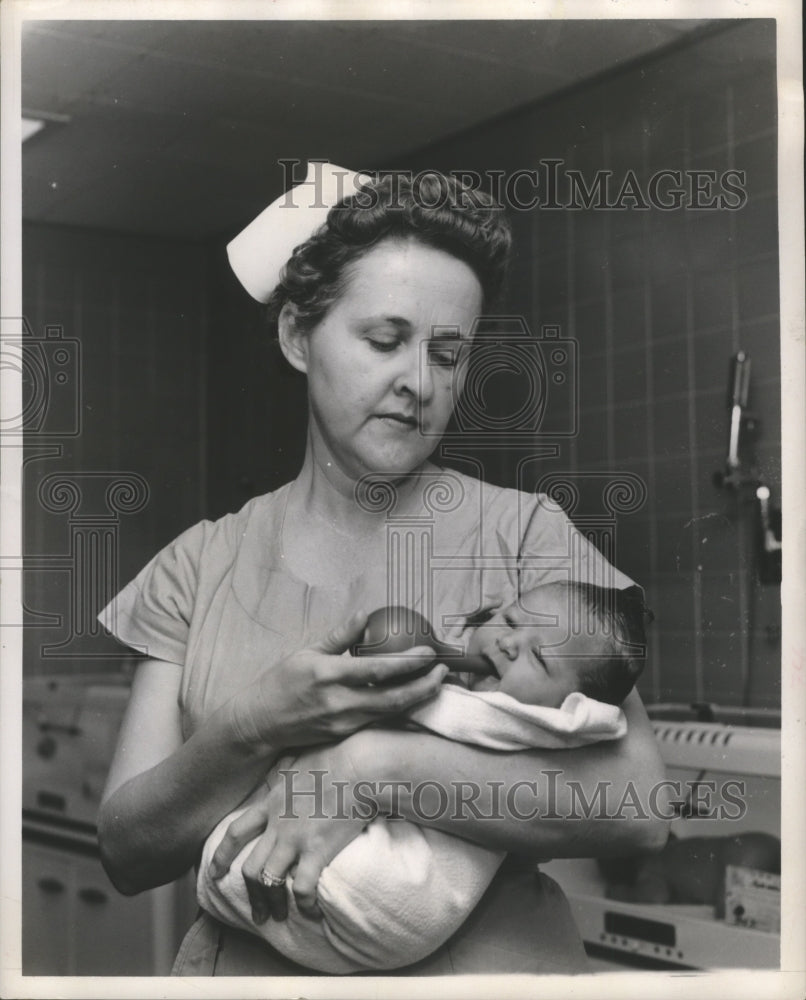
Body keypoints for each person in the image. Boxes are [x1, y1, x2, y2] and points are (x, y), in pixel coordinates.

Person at [97, 163, 669, 977]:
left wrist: (372, 769)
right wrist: (256, 724)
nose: (420, 384)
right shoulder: (199, 565)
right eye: (385, 340)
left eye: (449, 353)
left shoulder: (522, 535)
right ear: (299, 335)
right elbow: (126, 850)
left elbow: (641, 805)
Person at [196, 581, 651, 973]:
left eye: (541, 658)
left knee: (240, 850)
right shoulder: (470, 684)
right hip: (382, 927)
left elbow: (644, 812)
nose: (510, 644)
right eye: (511, 622)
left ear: (574, 709)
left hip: (399, 900)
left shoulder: (531, 724)